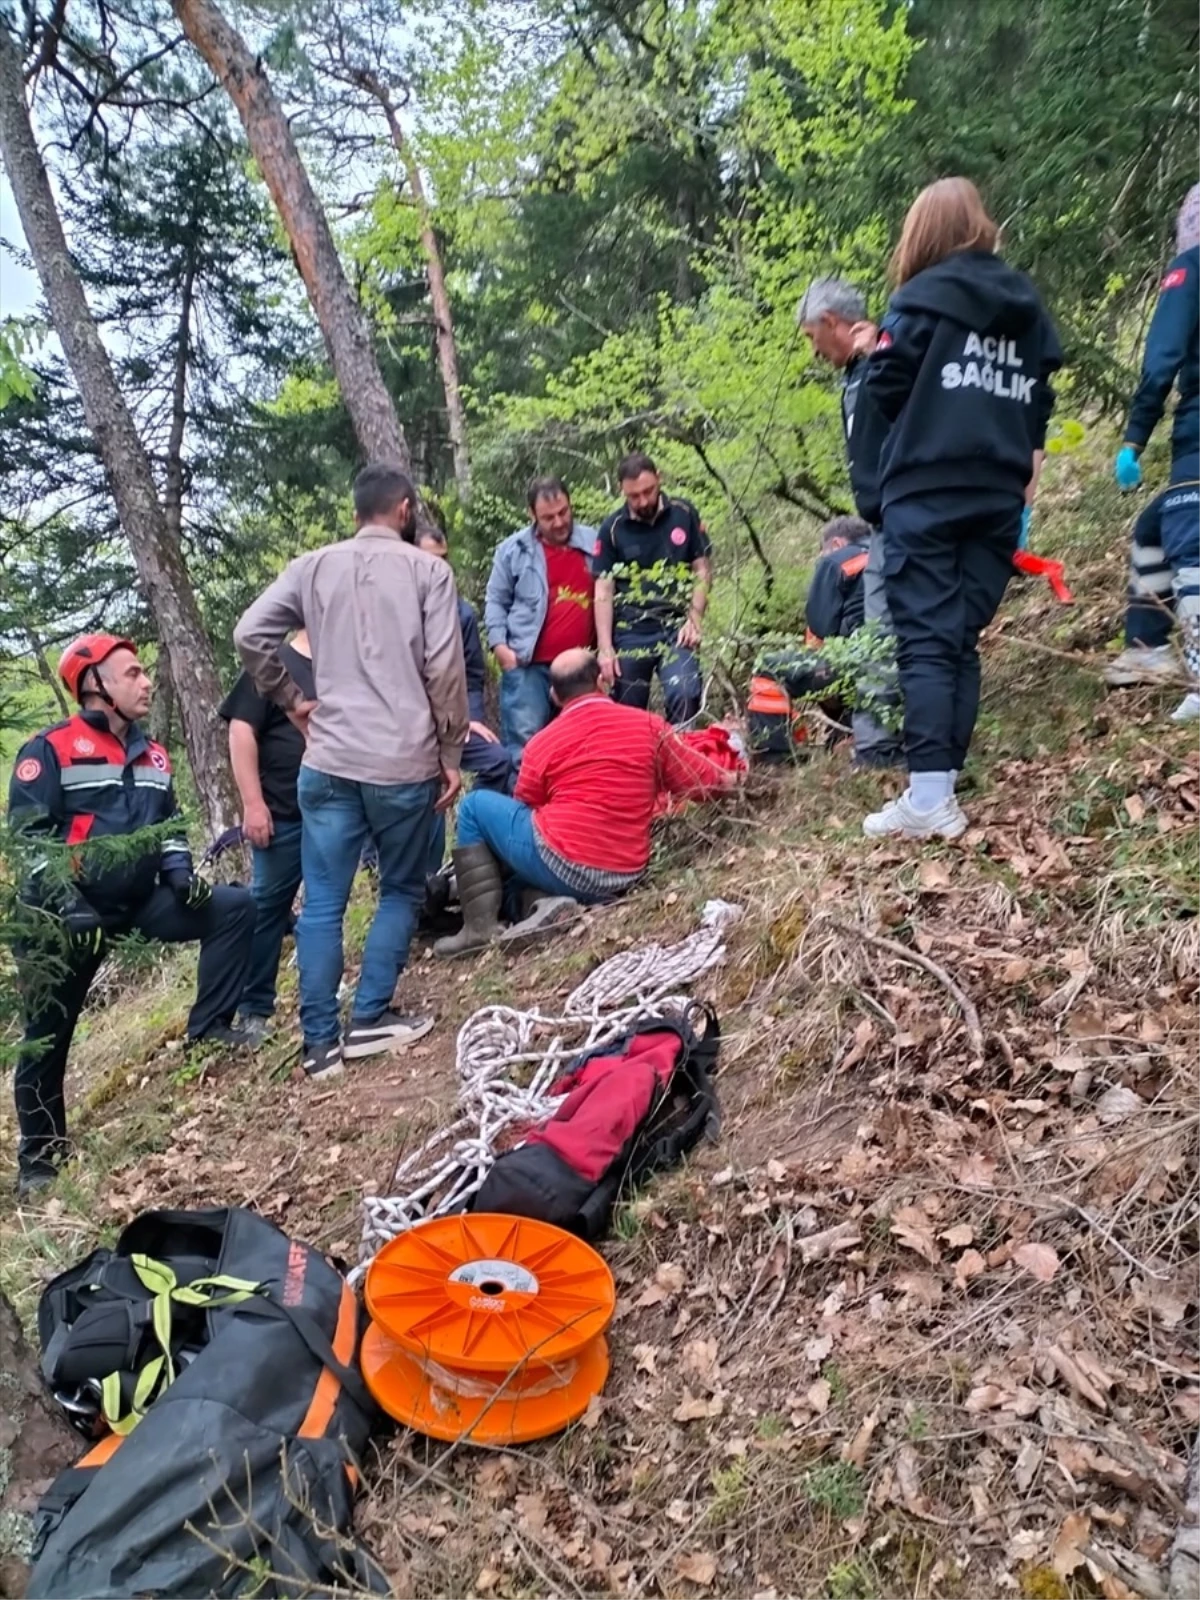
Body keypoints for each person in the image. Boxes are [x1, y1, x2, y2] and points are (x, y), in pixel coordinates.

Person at [234, 465, 469, 1081]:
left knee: (322, 904)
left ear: (358, 510)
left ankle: (319, 1045)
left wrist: (289, 699)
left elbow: (249, 632)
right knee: (397, 887)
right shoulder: (429, 572)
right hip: (401, 761)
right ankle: (369, 1018)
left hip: (330, 761)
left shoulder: (311, 567)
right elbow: (445, 670)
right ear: (405, 509)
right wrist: (451, 754)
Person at [8, 635, 257, 1196]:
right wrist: (65, 903)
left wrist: (180, 874)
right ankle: (41, 1161)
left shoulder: (156, 755)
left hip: (138, 904)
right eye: (133, 673)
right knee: (46, 1037)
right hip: (63, 919)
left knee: (236, 907)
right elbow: (29, 842)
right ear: (96, 685)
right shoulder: (49, 750)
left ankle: (211, 1027)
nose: (147, 682)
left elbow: (168, 827)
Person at [862, 176, 1062, 840]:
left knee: (924, 638)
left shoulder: (918, 300)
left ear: (922, 234)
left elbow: (884, 386)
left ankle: (928, 800)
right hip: (999, 492)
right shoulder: (1026, 303)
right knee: (959, 638)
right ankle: (938, 791)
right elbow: (1040, 397)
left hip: (926, 488)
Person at [434, 648, 738, 957]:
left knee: (474, 806)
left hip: (564, 864)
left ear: (553, 694)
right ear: (601, 680)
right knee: (515, 875)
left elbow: (527, 804)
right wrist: (736, 777)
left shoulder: (542, 743)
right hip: (624, 874)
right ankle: (542, 906)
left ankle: (478, 930)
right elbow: (702, 779)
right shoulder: (650, 725)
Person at [798, 277, 902, 767]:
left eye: (810, 337)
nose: (813, 351)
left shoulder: (888, 360)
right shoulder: (854, 375)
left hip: (904, 517)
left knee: (884, 632)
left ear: (830, 322)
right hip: (883, 519)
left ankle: (881, 747)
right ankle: (884, 744)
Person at [1114, 183, 1200, 706]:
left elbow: (1162, 359)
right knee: (1152, 525)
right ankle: (1145, 644)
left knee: (1189, 541)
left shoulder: (1189, 269)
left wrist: (1134, 438)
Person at [217, 630, 314, 1044]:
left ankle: (319, 990)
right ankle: (254, 1008)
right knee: (267, 909)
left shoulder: (346, 661)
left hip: (333, 811)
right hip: (282, 813)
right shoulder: (273, 662)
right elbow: (241, 732)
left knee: (325, 907)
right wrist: (252, 804)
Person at [415, 526, 513, 875]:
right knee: (426, 782)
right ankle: (424, 882)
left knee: (499, 760)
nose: (438, 568)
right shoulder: (395, 610)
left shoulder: (462, 614)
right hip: (410, 727)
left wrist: (469, 718)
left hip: (454, 721)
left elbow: (472, 675)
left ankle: (473, 854)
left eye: (443, 560)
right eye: (429, 560)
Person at [593, 453, 711, 725]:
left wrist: (694, 620)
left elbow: (702, 569)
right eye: (634, 496)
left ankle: (682, 759)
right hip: (632, 631)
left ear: (659, 478)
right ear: (622, 490)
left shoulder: (684, 512)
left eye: (648, 491)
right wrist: (605, 647)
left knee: (685, 693)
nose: (643, 501)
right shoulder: (612, 529)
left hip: (676, 626)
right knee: (626, 709)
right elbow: (603, 590)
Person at [484, 478, 597, 755]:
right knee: (527, 747)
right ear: (532, 515)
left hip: (581, 666)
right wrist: (500, 647)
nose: (559, 522)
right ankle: (523, 800)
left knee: (581, 745)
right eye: (548, 517)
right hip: (528, 665)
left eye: (563, 512)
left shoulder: (594, 543)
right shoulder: (512, 551)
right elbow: (496, 600)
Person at [747, 516, 872, 759]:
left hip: (858, 663)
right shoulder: (895, 551)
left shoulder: (838, 560)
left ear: (835, 544)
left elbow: (821, 626)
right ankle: (847, 731)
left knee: (769, 668)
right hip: (909, 661)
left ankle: (775, 758)